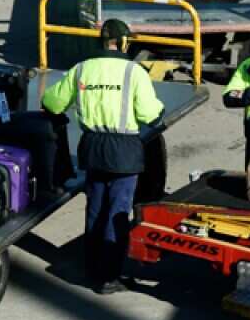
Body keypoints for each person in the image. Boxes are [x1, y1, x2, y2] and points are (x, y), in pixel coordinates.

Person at [42, 19, 164, 294]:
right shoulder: (133, 72)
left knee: (96, 208)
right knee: (118, 211)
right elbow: (150, 114)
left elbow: (51, 103)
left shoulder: (82, 69)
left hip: (92, 147)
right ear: (123, 43)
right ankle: (110, 277)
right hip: (123, 150)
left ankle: (92, 268)